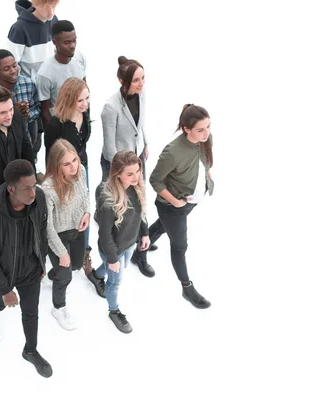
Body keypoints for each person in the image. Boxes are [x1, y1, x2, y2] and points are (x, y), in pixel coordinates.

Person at [0, 159, 52, 378]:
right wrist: (5, 290)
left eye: (34, 186)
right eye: (26, 188)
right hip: (5, 274)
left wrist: (42, 262)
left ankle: (30, 350)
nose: (32, 193)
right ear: (11, 189)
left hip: (30, 270)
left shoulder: (39, 199)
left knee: (31, 311)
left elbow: (42, 232)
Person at [137, 104, 215, 309]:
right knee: (179, 246)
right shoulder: (172, 152)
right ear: (186, 129)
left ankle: (138, 252)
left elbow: (203, 161)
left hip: (191, 201)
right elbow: (155, 181)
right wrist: (175, 202)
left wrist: (206, 176)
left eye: (208, 127)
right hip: (173, 206)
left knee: (163, 226)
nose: (206, 133)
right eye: (200, 129)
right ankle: (186, 287)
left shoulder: (206, 138)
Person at [42, 140, 96, 330]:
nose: (74, 166)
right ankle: (59, 308)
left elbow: (86, 194)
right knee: (66, 277)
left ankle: (54, 273)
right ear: (57, 166)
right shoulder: (48, 189)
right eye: (67, 164)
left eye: (75, 160)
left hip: (77, 230)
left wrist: (87, 213)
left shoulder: (80, 171)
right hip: (57, 236)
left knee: (75, 265)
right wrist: (61, 253)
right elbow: (46, 227)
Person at [93, 151, 149, 333]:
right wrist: (112, 259)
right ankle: (114, 310)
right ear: (117, 173)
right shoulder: (108, 198)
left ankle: (96, 275)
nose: (136, 177)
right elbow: (105, 234)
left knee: (114, 269)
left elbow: (141, 214)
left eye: (137, 171)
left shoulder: (137, 187)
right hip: (113, 248)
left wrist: (145, 234)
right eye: (130, 174)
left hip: (129, 243)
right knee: (115, 282)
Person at [44, 78, 94, 277]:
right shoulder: (56, 124)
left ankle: (83, 251)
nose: (85, 104)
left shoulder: (85, 112)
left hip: (81, 166)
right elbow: (50, 156)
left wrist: (79, 166)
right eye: (80, 101)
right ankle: (60, 254)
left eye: (87, 98)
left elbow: (83, 142)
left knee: (83, 205)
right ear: (68, 99)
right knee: (64, 211)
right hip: (62, 173)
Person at [7, 0, 60, 171]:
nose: (51, 11)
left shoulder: (54, 21)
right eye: (47, 6)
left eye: (54, 6)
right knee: (32, 142)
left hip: (50, 94)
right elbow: (10, 65)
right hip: (28, 96)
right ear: (36, 3)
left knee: (54, 141)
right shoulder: (19, 29)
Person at [100, 57, 149, 184]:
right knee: (116, 200)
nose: (141, 83)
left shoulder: (141, 93)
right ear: (122, 81)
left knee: (140, 195)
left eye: (143, 78)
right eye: (136, 80)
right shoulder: (110, 107)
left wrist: (145, 144)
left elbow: (139, 123)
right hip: (118, 162)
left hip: (137, 154)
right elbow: (109, 146)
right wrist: (119, 170)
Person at [0, 50, 40, 144]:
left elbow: (38, 109)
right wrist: (12, 114)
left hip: (23, 141)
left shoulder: (28, 84)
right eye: (6, 69)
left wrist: (27, 114)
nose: (13, 71)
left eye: (15, 65)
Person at [36, 20, 87, 129]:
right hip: (60, 124)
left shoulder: (79, 57)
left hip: (80, 120)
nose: (72, 46)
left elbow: (85, 90)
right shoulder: (45, 74)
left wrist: (87, 122)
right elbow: (45, 112)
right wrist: (52, 137)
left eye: (74, 41)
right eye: (67, 42)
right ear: (55, 42)